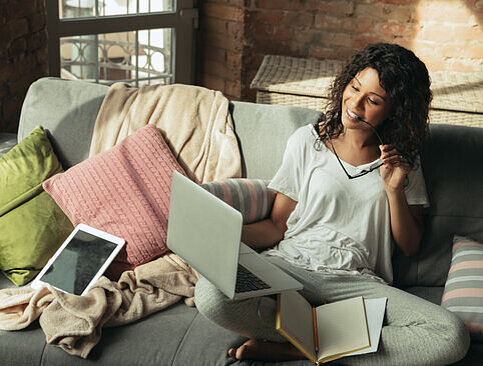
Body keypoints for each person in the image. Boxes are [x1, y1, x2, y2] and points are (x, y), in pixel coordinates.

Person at [194, 43, 470, 365]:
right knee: (210, 295)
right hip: (289, 268)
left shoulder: (404, 162)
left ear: (395, 110)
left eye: (374, 100)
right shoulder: (306, 142)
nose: (355, 104)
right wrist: (218, 234)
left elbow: (410, 246)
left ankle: (294, 347)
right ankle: (333, 340)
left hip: (357, 283)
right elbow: (277, 226)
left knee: (450, 335)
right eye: (354, 88)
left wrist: (394, 190)